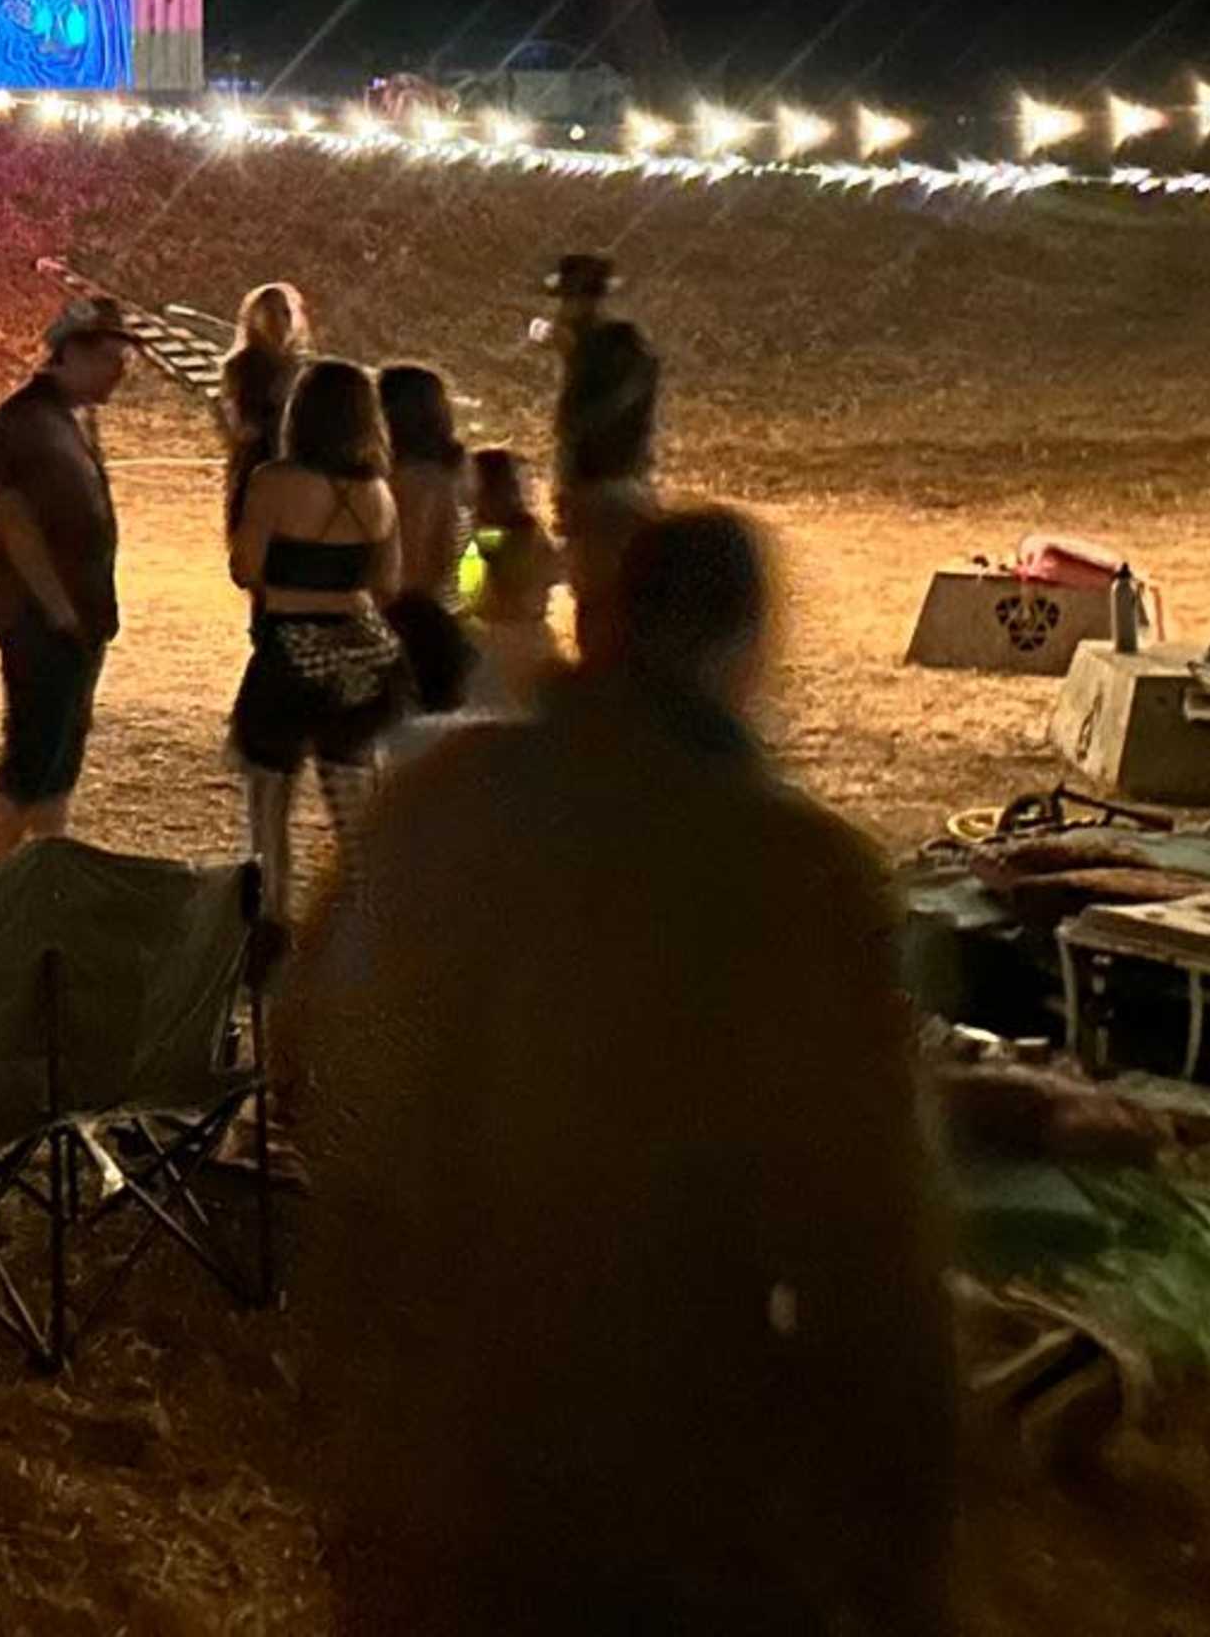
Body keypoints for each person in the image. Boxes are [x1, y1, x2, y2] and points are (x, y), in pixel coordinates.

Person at [284, 508, 956, 1635]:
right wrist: (903, 1571)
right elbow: (870, 1252)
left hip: (417, 1466)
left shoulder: (434, 803)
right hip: (661, 1504)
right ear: (747, 652)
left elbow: (311, 1061)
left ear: (599, 629)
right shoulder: (796, 874)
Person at [227, 357, 404, 918]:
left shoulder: (274, 483)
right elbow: (388, 582)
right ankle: (371, 936)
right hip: (363, 655)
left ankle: (272, 928)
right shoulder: (378, 492)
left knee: (269, 812)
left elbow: (245, 567)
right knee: (356, 822)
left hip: (288, 649)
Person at [0, 298, 142, 856]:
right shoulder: (27, 421)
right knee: (32, 751)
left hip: (76, 615)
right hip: (40, 615)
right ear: (72, 353)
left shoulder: (74, 416)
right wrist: (58, 609)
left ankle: (46, 863)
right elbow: (15, 520)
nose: (119, 378)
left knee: (62, 746)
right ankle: (0, 876)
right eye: (111, 363)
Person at [542, 250, 660, 652]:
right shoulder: (633, 347)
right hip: (634, 482)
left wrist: (565, 493)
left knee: (593, 601)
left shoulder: (587, 354)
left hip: (594, 488)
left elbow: (572, 429)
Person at [377, 361, 476, 718]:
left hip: (398, 616)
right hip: (447, 615)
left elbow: (403, 561)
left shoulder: (391, 479)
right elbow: (469, 550)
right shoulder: (458, 471)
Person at [462, 447, 561, 709]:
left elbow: (467, 593)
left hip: (485, 646)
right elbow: (555, 573)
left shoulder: (474, 537)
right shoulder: (531, 534)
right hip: (533, 642)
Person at [215, 281, 309, 532]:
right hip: (256, 474)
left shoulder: (302, 367)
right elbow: (241, 427)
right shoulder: (240, 367)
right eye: (271, 313)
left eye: (286, 313)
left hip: (300, 479)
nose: (281, 321)